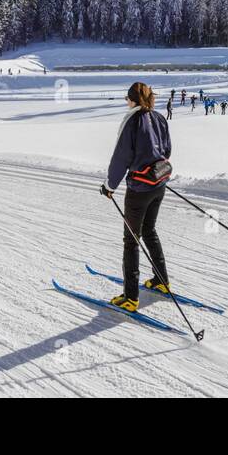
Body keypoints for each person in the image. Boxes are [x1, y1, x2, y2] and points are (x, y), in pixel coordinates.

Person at [100, 82, 172, 312]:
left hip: (139, 189)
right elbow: (167, 149)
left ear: (133, 99)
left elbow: (121, 156)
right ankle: (161, 281)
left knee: (131, 239)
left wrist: (109, 185)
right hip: (159, 182)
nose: (126, 102)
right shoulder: (159, 116)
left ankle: (131, 297)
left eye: (127, 98)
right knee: (149, 230)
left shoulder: (132, 120)